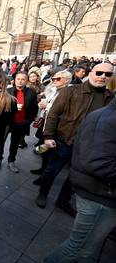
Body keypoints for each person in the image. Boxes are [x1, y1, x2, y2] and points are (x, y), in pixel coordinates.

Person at [43, 98, 116, 263]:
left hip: (102, 193)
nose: (103, 77)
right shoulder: (107, 119)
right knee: (80, 247)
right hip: (99, 196)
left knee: (84, 248)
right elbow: (98, 163)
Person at [35, 63, 115, 216]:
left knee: (75, 177)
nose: (103, 76)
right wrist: (49, 136)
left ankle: (63, 200)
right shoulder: (71, 91)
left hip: (89, 148)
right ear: (90, 73)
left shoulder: (110, 97)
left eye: (108, 74)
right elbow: (53, 114)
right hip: (65, 141)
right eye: (99, 73)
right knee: (52, 171)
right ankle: (42, 193)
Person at [31, 70, 72, 178]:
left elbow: (63, 110)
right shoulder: (54, 90)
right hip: (46, 123)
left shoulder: (69, 93)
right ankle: (43, 169)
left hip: (58, 127)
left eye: (58, 79)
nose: (54, 81)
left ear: (66, 81)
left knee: (51, 151)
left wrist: (47, 106)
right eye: (53, 78)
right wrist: (42, 104)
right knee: (44, 147)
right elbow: (49, 103)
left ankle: (46, 175)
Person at [6, 72, 38, 173]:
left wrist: (28, 121)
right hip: (7, 122)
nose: (20, 81)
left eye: (23, 79)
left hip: (21, 122)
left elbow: (34, 108)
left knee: (15, 143)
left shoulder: (31, 92)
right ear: (14, 80)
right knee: (0, 141)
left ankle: (11, 161)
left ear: (26, 81)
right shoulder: (8, 91)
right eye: (18, 79)